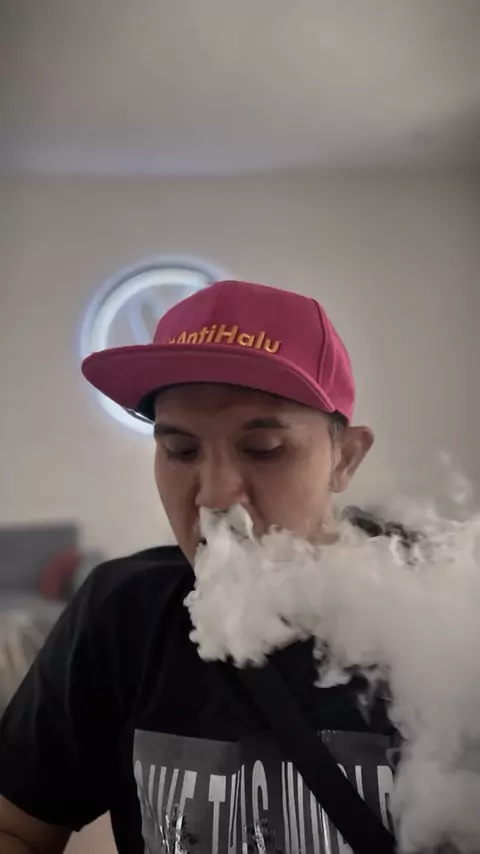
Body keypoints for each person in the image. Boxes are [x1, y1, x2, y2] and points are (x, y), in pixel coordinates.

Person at [0, 279, 396, 854]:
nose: (213, 496)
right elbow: (16, 826)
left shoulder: (438, 619)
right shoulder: (123, 614)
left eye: (263, 449)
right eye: (181, 451)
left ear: (346, 458)